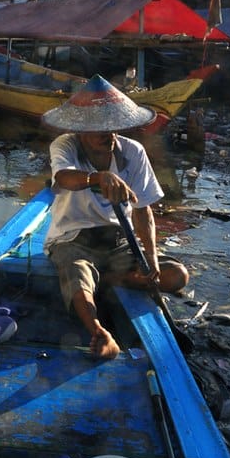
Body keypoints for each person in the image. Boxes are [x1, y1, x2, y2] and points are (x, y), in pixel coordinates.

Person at [41, 75, 189, 359]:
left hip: (119, 241)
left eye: (112, 127)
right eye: (97, 128)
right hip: (73, 240)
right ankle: (99, 332)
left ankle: (110, 278)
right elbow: (64, 178)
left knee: (176, 276)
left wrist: (151, 258)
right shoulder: (65, 145)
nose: (106, 134)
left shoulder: (133, 152)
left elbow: (143, 210)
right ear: (80, 129)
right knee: (77, 275)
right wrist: (98, 177)